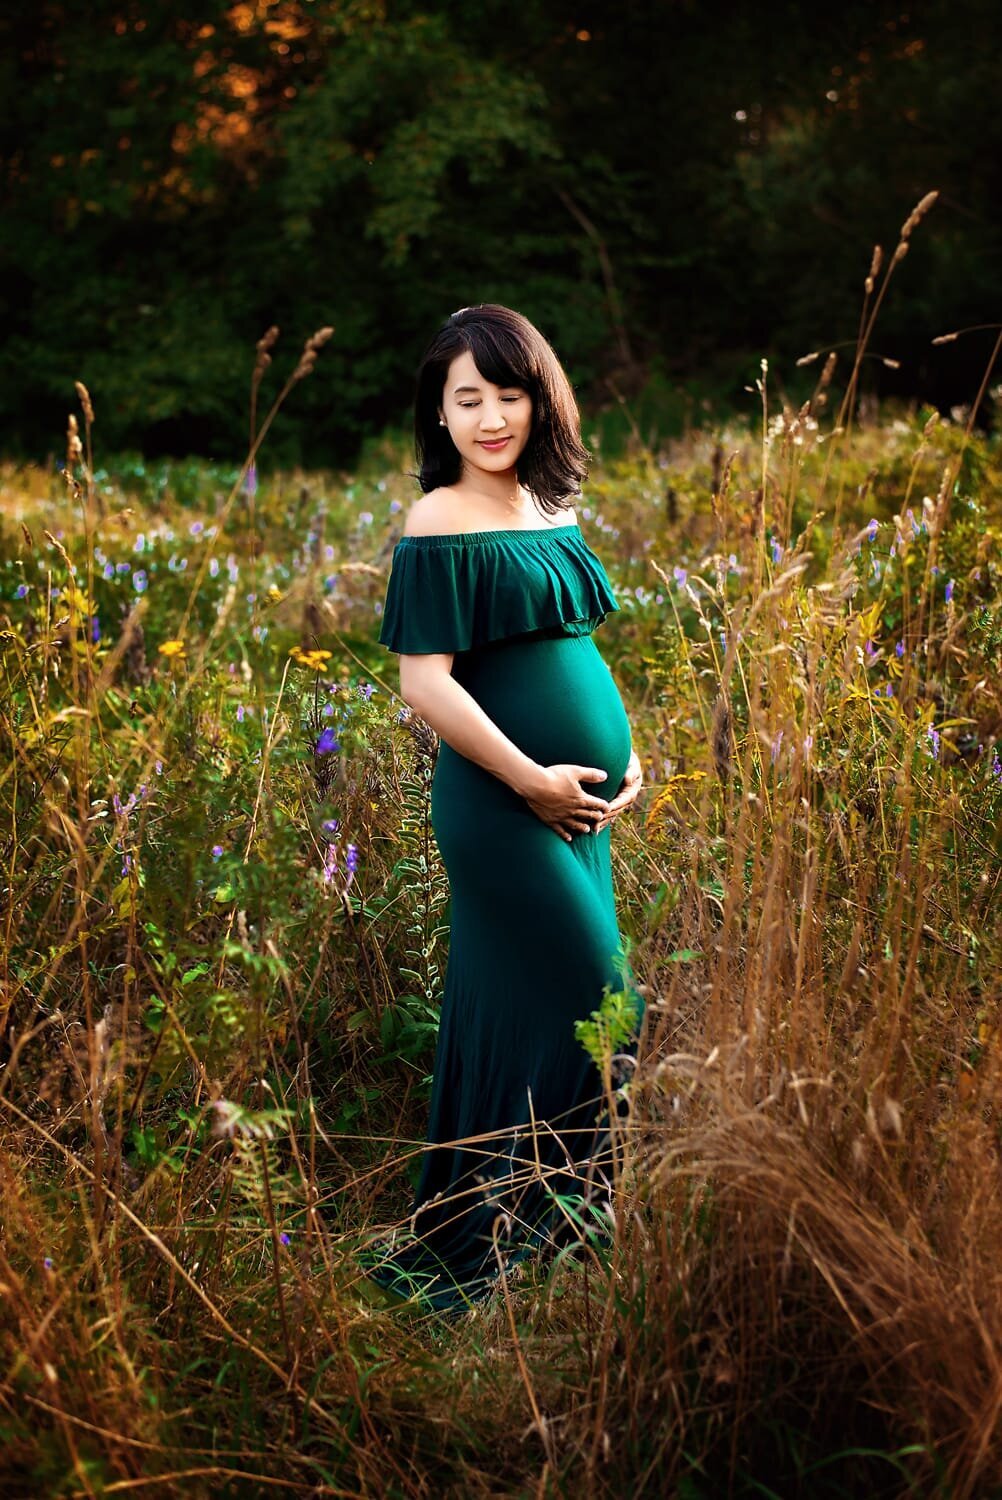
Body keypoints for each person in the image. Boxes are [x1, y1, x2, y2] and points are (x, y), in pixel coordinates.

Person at [360, 304, 645, 1318]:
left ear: (539, 401)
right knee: (606, 1001)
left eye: (508, 395)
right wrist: (529, 777)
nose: (490, 418)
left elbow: (576, 650)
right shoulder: (438, 519)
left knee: (546, 1007)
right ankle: (515, 1237)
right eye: (466, 399)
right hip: (502, 806)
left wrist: (628, 754)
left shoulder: (545, 505)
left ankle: (553, 1240)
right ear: (438, 415)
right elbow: (423, 684)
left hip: (579, 808)